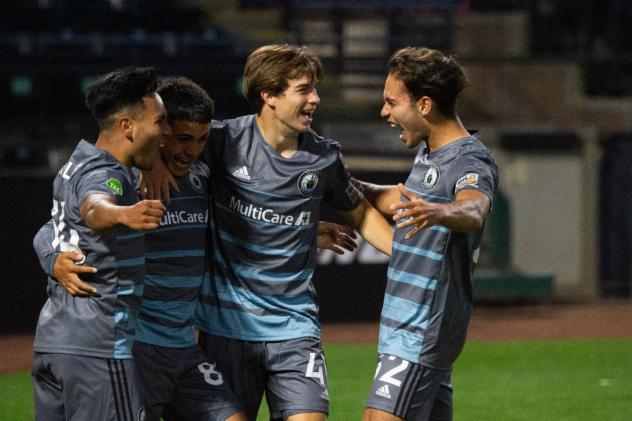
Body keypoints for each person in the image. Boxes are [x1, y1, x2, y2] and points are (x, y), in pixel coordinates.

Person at [35, 76, 359, 421]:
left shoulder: (202, 175)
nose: (191, 150)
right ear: (160, 133)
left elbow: (236, 220)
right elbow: (57, 226)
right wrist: (54, 258)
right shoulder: (129, 177)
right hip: (135, 346)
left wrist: (305, 232)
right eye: (181, 138)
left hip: (184, 346)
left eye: (202, 140)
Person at [144, 44, 394, 421]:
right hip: (225, 328)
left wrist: (410, 257)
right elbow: (168, 135)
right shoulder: (221, 141)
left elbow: (361, 214)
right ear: (270, 95)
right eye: (304, 89)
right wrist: (152, 163)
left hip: (295, 327)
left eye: (315, 89)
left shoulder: (324, 157)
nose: (316, 99)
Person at [357, 47, 499, 421]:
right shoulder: (431, 154)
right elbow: (397, 199)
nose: (384, 112)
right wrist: (339, 183)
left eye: (391, 102)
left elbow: (474, 208)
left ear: (423, 105)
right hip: (408, 324)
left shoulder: (470, 159)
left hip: (422, 327)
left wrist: (441, 211)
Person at [30, 67, 169, 421]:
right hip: (99, 349)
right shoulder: (106, 176)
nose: (167, 132)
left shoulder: (74, 165)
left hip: (54, 346)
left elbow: (50, 227)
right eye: (160, 122)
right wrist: (124, 215)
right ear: (127, 127)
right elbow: (94, 207)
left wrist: (52, 258)